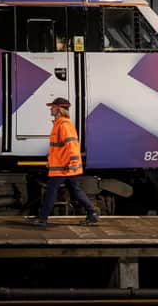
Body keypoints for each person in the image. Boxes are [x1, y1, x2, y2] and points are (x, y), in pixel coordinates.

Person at [26, 97, 99, 227]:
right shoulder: (59, 124)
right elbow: (57, 148)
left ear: (59, 109)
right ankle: (92, 213)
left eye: (53, 107)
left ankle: (42, 219)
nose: (50, 108)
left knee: (51, 190)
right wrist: (51, 161)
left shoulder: (64, 125)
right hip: (62, 166)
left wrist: (73, 163)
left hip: (64, 167)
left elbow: (72, 146)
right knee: (75, 191)